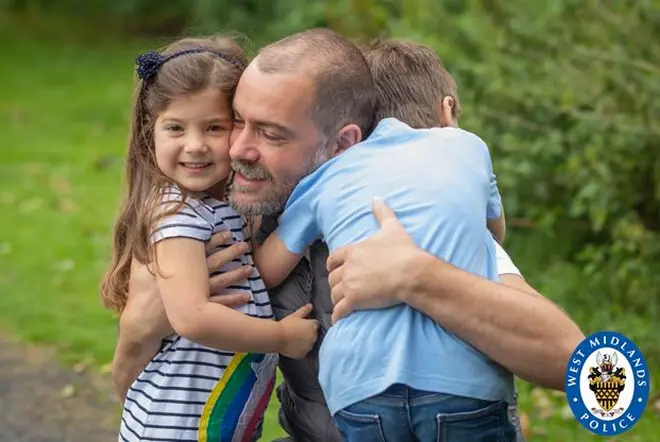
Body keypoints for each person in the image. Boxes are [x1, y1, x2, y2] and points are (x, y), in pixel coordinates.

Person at [112, 29, 585, 442]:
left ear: (343, 145)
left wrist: (417, 276)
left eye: (272, 134)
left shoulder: (403, 225)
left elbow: (586, 373)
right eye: (236, 120)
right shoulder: (225, 224)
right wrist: (143, 322)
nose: (235, 147)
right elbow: (132, 389)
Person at [249, 35, 512, 440]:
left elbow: (266, 270)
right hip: (462, 384)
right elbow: (493, 235)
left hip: (360, 391)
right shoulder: (468, 147)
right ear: (448, 110)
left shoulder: (330, 175)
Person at [100, 35, 318, 442]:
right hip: (175, 429)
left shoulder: (217, 208)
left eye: (214, 127)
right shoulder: (177, 214)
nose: (196, 145)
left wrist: (308, 213)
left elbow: (257, 275)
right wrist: (281, 338)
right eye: (176, 128)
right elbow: (192, 317)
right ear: (152, 134)